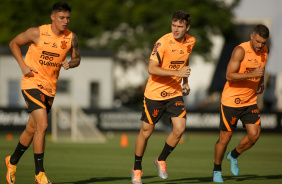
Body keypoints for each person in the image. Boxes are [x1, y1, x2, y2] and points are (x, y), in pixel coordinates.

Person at [5, 2, 80, 184]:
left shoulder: (71, 37)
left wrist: (70, 63)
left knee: (32, 129)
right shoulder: (36, 32)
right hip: (31, 83)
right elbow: (13, 43)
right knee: (44, 125)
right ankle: (40, 173)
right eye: (62, 17)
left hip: (50, 88)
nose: (65, 21)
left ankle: (12, 162)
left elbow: (77, 58)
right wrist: (23, 66)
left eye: (68, 18)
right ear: (52, 17)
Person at [131, 10, 195, 184]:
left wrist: (185, 81)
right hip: (154, 94)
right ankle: (137, 169)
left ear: (187, 27)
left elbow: (185, 60)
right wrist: (177, 72)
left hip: (174, 93)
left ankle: (161, 159)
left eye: (180, 27)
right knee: (146, 132)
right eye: (173, 25)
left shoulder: (191, 41)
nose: (175, 29)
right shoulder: (163, 42)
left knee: (180, 128)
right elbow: (151, 68)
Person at [212, 24, 269, 183]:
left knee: (254, 135)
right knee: (225, 138)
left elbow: (261, 69)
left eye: (263, 43)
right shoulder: (240, 51)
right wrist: (252, 74)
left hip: (249, 101)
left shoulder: (265, 50)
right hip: (231, 101)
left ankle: (233, 155)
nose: (259, 46)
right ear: (252, 36)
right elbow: (229, 75)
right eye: (257, 41)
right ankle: (217, 170)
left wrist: (261, 81)